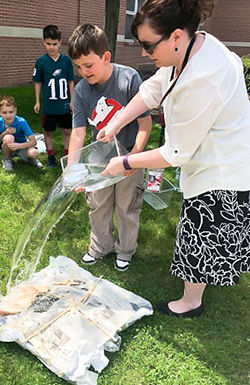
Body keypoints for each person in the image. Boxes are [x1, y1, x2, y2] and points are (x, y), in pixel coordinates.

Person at [96, 0, 250, 317]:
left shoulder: (204, 77)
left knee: (201, 228)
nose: (143, 53)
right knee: (203, 229)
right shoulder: (194, 47)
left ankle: (190, 302)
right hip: (216, 156)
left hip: (223, 168)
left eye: (148, 45)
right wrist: (116, 123)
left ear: (176, 36)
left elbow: (175, 153)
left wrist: (124, 163)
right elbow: (153, 89)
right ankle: (198, 289)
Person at [67, 24, 152, 271]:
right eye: (78, 67)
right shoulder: (82, 90)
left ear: (106, 57)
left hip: (129, 156)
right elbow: (79, 131)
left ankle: (125, 250)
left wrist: (134, 158)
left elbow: (145, 122)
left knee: (127, 207)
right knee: (98, 205)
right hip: (98, 160)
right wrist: (73, 168)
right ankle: (99, 247)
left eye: (89, 65)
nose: (83, 72)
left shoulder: (129, 78)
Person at [33, 24, 75, 167]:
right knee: (48, 131)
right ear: (43, 42)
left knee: (67, 130)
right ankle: (51, 156)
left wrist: (72, 100)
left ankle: (67, 155)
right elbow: (38, 82)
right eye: (48, 44)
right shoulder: (41, 61)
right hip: (50, 105)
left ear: (60, 42)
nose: (51, 47)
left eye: (54, 44)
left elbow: (70, 81)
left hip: (64, 103)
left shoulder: (66, 61)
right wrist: (37, 101)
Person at [0, 94, 43, 172]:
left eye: (11, 112)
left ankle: (31, 159)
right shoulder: (0, 122)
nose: (8, 115)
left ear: (15, 111)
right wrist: (5, 133)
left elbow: (33, 142)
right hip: (8, 148)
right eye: (4, 112)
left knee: (34, 153)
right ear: (0, 113)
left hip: (21, 147)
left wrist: (18, 146)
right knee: (8, 137)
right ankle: (7, 160)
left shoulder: (21, 122)